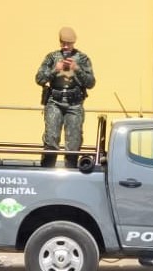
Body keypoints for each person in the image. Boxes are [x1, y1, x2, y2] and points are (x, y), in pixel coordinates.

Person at [34, 27, 96, 168]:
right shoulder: (52, 57)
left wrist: (77, 69)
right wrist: (55, 69)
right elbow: (39, 79)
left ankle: (71, 172)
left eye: (69, 43)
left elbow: (91, 83)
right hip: (54, 102)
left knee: (73, 142)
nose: (66, 46)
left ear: (74, 42)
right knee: (51, 139)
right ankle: (47, 171)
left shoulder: (82, 58)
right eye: (63, 43)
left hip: (74, 103)